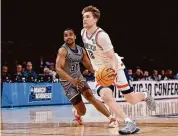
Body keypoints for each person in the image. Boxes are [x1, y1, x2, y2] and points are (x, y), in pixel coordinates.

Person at [81, 5, 156, 135]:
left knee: (131, 100)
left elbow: (112, 57)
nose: (84, 19)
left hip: (115, 68)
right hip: (101, 71)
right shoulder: (83, 33)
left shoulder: (102, 36)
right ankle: (129, 122)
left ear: (95, 19)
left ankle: (145, 94)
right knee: (105, 95)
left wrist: (113, 71)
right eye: (83, 17)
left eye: (88, 17)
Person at [55, 28, 119, 127]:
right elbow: (58, 69)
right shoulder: (62, 50)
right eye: (66, 35)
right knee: (82, 112)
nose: (68, 37)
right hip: (67, 82)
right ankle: (77, 113)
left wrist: (98, 73)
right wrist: (72, 80)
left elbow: (89, 66)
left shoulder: (81, 50)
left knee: (90, 96)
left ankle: (112, 119)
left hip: (79, 78)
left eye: (70, 34)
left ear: (75, 36)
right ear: (64, 38)